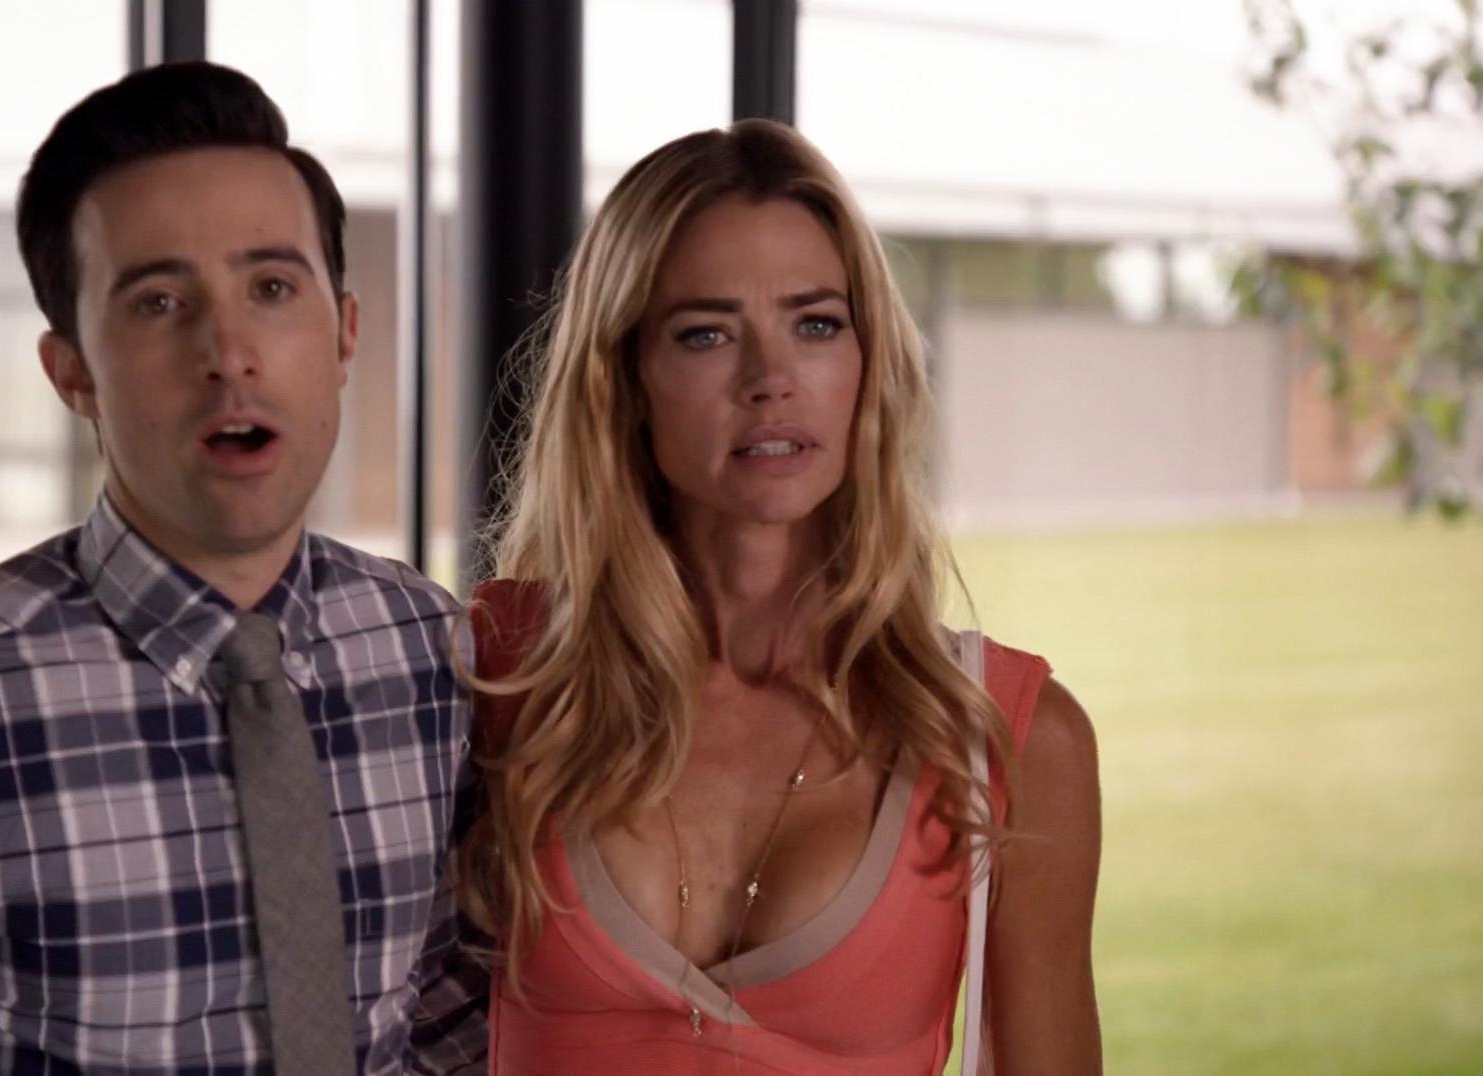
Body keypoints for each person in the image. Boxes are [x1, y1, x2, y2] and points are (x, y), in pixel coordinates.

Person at [0, 61, 487, 1075]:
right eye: (159, 301)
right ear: (71, 370)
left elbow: (448, 1015)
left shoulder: (431, 654)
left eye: (271, 288)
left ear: (342, 334)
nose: (229, 351)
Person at [463, 120, 1103, 1073]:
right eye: (707, 334)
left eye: (815, 325)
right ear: (625, 378)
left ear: (869, 363)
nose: (771, 381)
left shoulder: (1011, 741)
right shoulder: (497, 677)